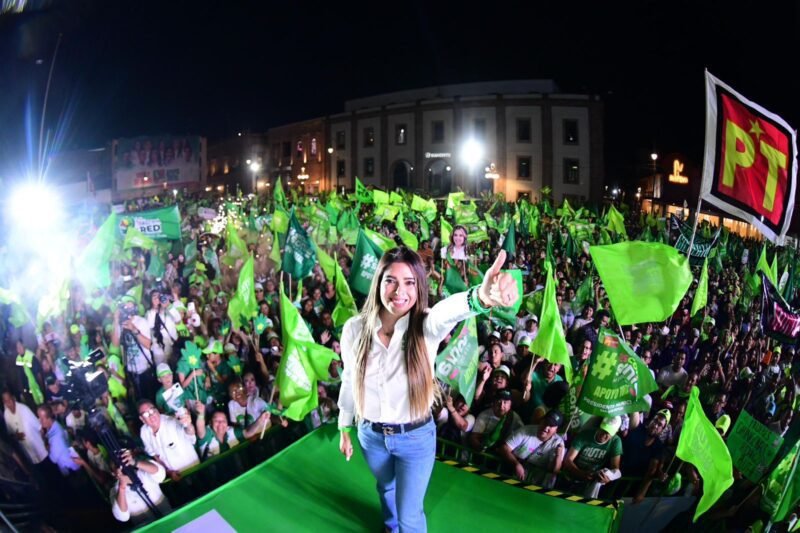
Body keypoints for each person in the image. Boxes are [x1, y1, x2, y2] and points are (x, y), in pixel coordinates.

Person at [337, 247, 518, 533]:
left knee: (410, 515)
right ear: (378, 282)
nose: (400, 291)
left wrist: (481, 297)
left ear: (419, 286)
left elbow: (448, 311)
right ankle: (389, 527)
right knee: (385, 488)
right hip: (371, 435)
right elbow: (349, 378)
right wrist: (344, 426)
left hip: (415, 439)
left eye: (409, 282)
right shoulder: (354, 329)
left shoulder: (426, 325)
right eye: (391, 280)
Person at [499, 410, 565, 487]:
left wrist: (558, 455)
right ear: (541, 420)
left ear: (556, 430)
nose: (546, 427)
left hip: (537, 478)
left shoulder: (558, 443)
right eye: (546, 422)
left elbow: (554, 471)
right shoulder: (526, 430)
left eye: (551, 425)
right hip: (514, 469)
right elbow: (504, 448)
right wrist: (516, 464)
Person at [137, 400, 199, 479]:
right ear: (142, 419)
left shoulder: (172, 422)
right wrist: (168, 472)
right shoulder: (144, 432)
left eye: (152, 411)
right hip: (174, 477)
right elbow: (155, 455)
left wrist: (188, 424)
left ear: (157, 410)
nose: (151, 416)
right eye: (146, 414)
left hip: (193, 470)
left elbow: (190, 434)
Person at [110, 449, 173, 526]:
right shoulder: (115, 490)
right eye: (117, 466)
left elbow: (161, 474)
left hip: (169, 517)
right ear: (113, 473)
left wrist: (134, 462)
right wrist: (122, 487)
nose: (122, 468)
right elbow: (122, 517)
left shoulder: (143, 472)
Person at [2, 391, 49, 473]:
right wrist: (16, 436)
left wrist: (46, 443)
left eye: (9, 399)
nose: (8, 403)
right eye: (6, 401)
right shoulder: (6, 414)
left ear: (13, 398)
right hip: (30, 453)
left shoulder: (24, 409)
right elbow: (11, 434)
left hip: (41, 449)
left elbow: (40, 428)